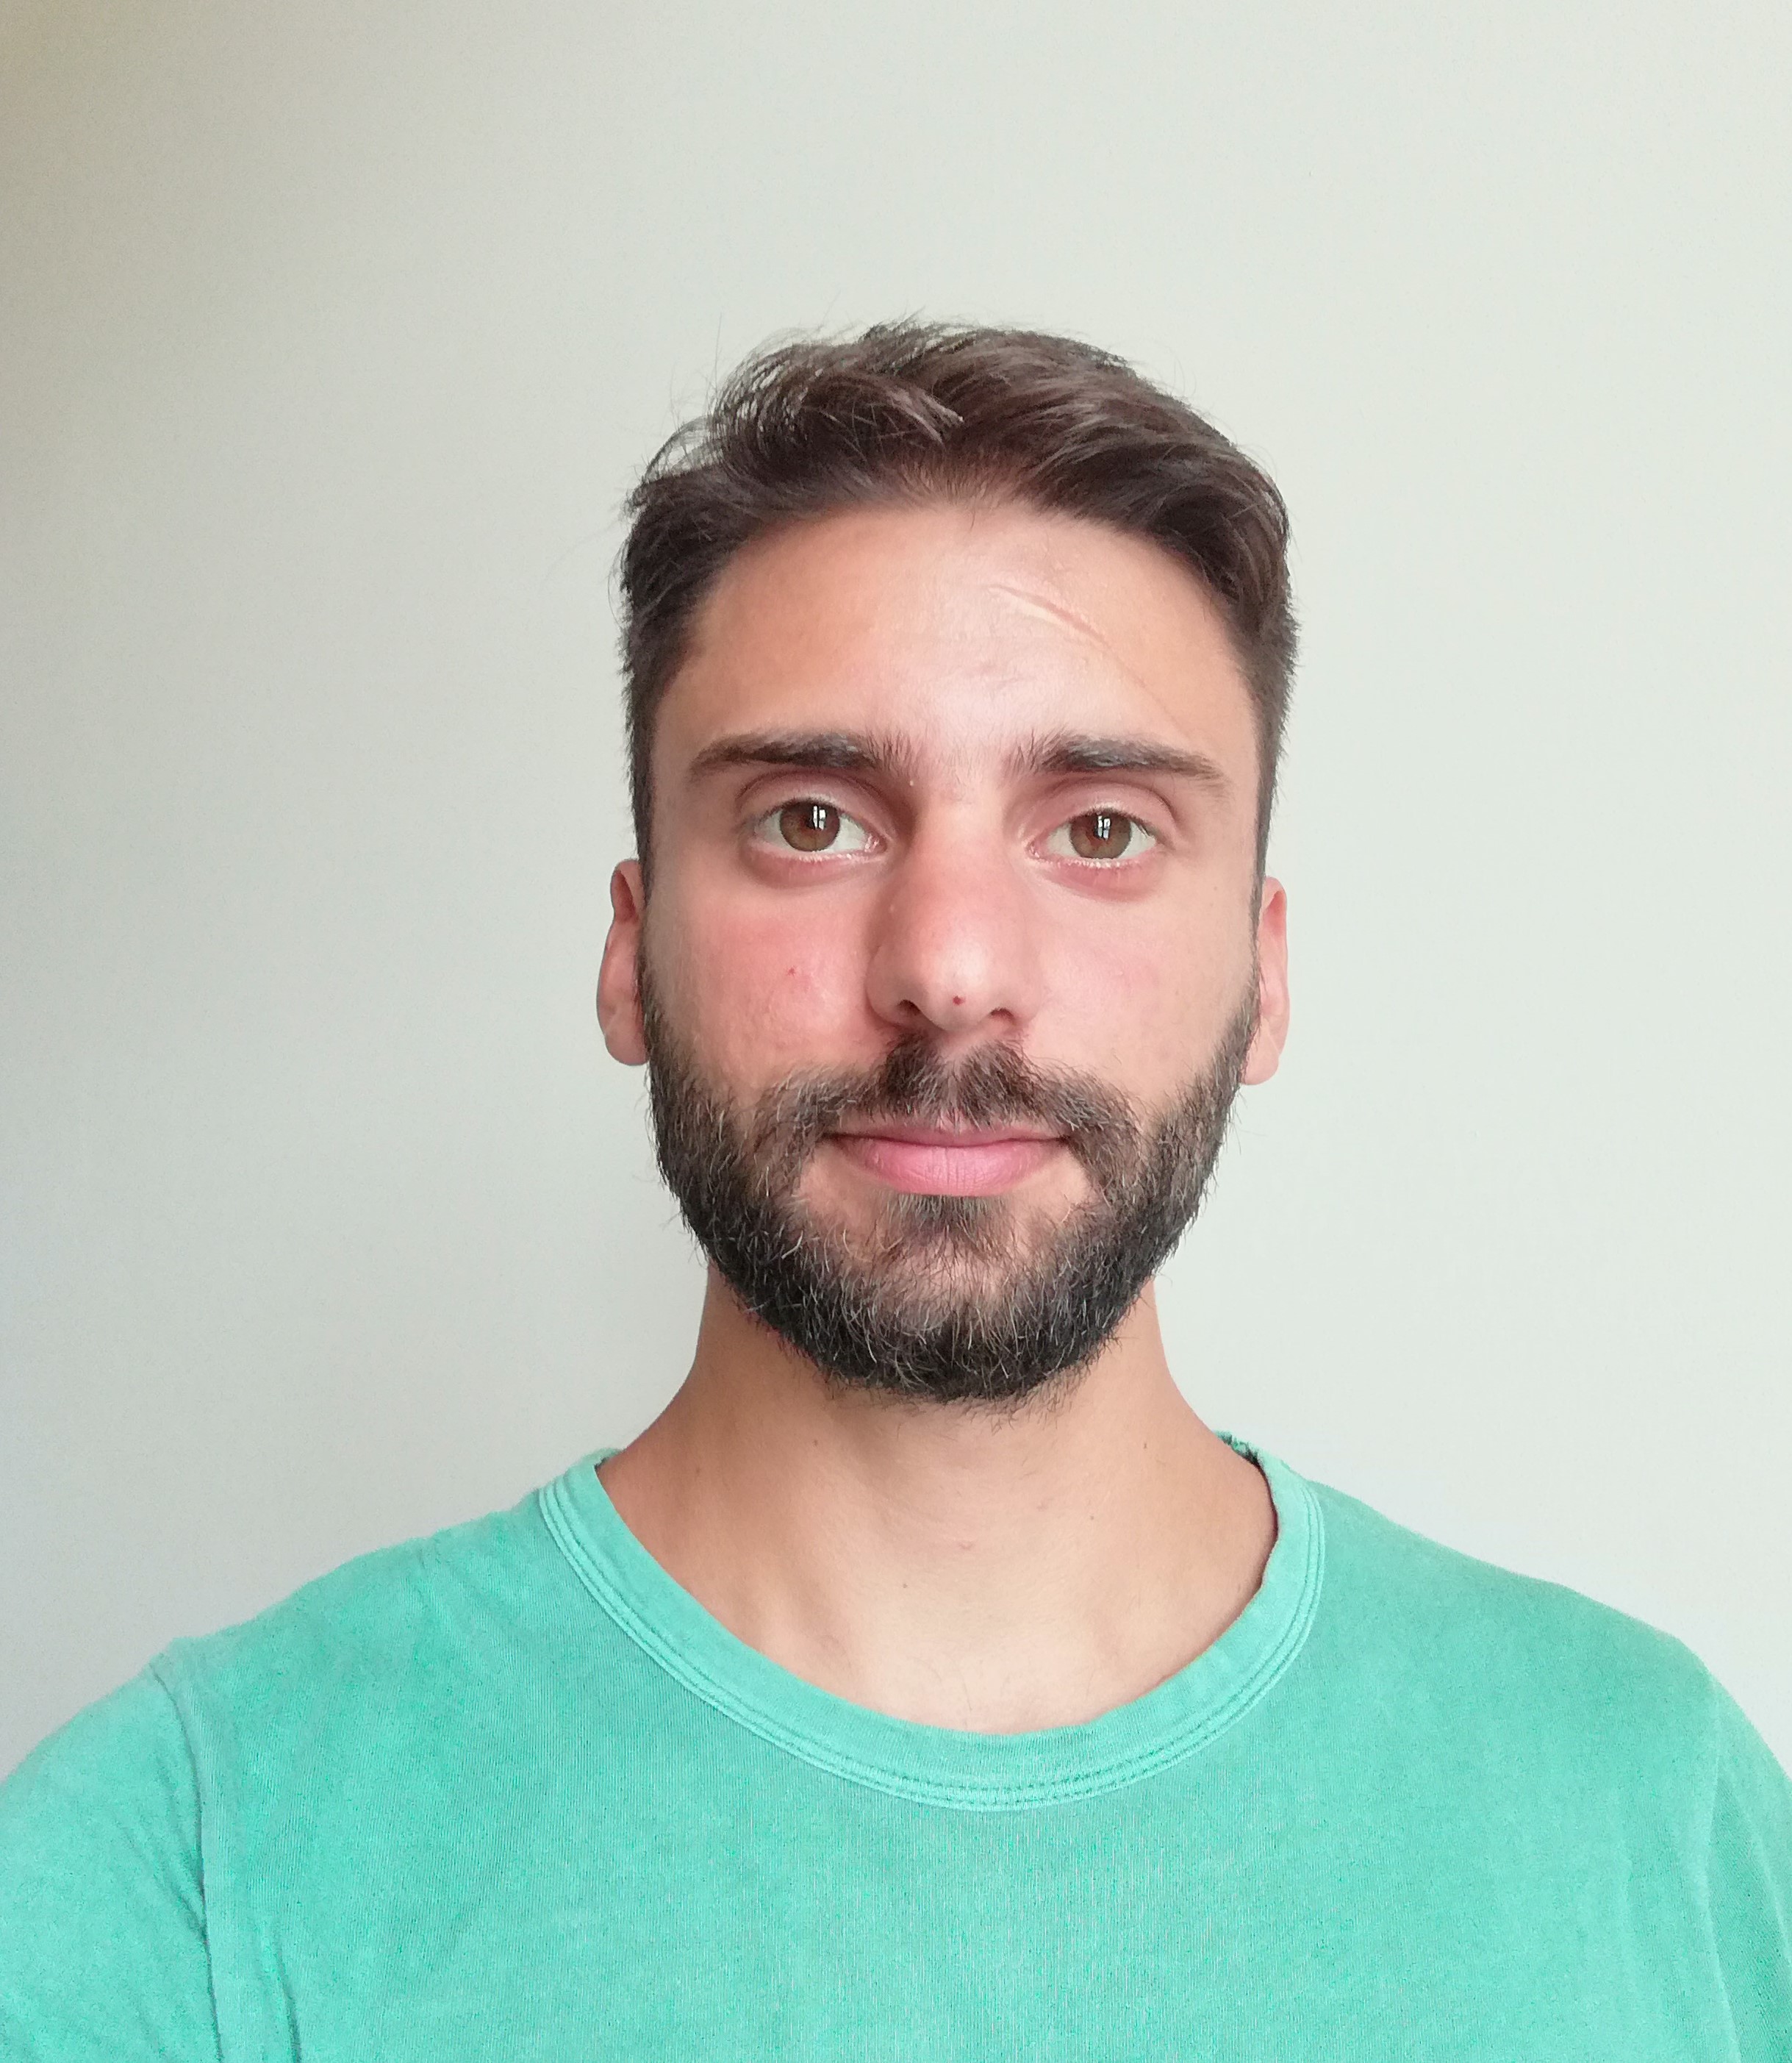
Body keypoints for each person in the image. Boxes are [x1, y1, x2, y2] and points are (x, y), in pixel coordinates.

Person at [2, 323, 1788, 2060]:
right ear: (631, 953)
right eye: (811, 819)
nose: (948, 966)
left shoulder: (1658, 1812)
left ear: (1262, 974)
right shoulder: (186, 1863)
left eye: (1100, 829)